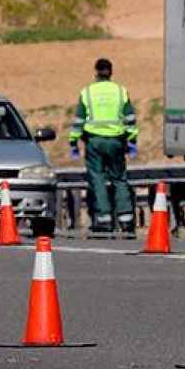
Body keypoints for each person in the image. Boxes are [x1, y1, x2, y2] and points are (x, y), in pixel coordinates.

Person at [68, 57, 138, 237]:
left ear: (96, 71)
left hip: (94, 141)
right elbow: (130, 117)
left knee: (97, 178)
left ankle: (104, 218)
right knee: (119, 179)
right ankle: (126, 218)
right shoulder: (120, 91)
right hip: (116, 140)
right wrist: (132, 140)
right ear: (111, 71)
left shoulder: (88, 92)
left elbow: (79, 119)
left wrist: (73, 141)